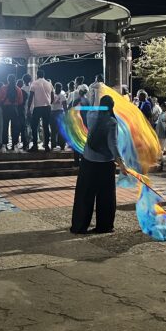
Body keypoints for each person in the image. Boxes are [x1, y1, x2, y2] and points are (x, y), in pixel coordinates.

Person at [70, 95, 128, 234]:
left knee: (84, 195)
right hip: (104, 164)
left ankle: (79, 226)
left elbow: (88, 106)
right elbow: (112, 145)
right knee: (105, 197)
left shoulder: (91, 116)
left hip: (87, 162)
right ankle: (104, 226)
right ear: (112, 107)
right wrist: (122, 164)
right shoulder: (111, 122)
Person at [27, 70, 53, 152]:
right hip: (47, 107)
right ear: (43, 75)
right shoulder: (49, 84)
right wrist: (49, 103)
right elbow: (52, 97)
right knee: (46, 127)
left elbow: (30, 97)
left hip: (37, 107)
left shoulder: (34, 83)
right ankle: (47, 146)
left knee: (34, 127)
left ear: (37, 75)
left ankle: (35, 146)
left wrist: (28, 109)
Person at [0, 74, 23, 151]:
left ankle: (4, 145)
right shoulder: (18, 89)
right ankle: (14, 144)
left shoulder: (3, 88)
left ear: (8, 80)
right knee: (14, 127)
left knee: (5, 127)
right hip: (14, 109)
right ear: (15, 80)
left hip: (5, 109)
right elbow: (21, 102)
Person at [50, 82, 68, 151]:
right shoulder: (54, 95)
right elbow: (65, 106)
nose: (59, 89)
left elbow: (65, 106)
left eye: (60, 88)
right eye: (58, 88)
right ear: (55, 88)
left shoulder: (62, 95)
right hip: (56, 113)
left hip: (58, 113)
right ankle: (57, 145)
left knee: (57, 130)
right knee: (56, 130)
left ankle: (59, 145)